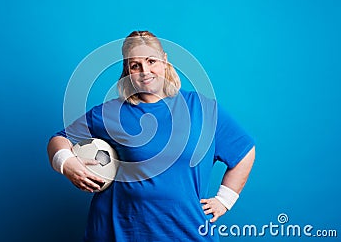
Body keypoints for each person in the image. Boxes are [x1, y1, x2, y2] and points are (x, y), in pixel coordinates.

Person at [47, 30, 255, 241]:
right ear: (127, 70)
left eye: (151, 61)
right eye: (135, 65)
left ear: (164, 60)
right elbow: (58, 140)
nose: (145, 71)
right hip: (122, 232)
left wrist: (225, 199)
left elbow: (244, 151)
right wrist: (67, 163)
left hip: (187, 232)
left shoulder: (202, 109)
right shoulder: (110, 114)